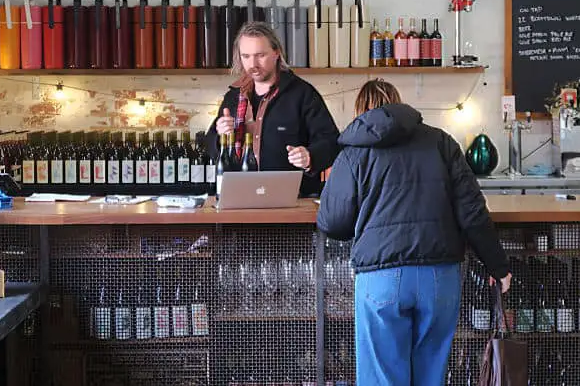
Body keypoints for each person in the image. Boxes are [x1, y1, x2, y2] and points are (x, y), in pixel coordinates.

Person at [317, 80, 511, 385]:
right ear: (397, 104)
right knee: (430, 376)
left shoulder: (353, 152)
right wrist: (497, 266)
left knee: (382, 378)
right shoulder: (441, 142)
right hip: (439, 276)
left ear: (360, 113)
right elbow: (472, 212)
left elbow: (333, 223)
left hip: (380, 277)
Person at [205, 21, 340, 197]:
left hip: (290, 202)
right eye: (246, 56)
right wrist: (220, 134)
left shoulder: (303, 94)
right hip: (239, 198)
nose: (252, 63)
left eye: (260, 55)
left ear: (276, 53)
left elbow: (332, 142)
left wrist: (309, 157)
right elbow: (210, 145)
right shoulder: (233, 97)